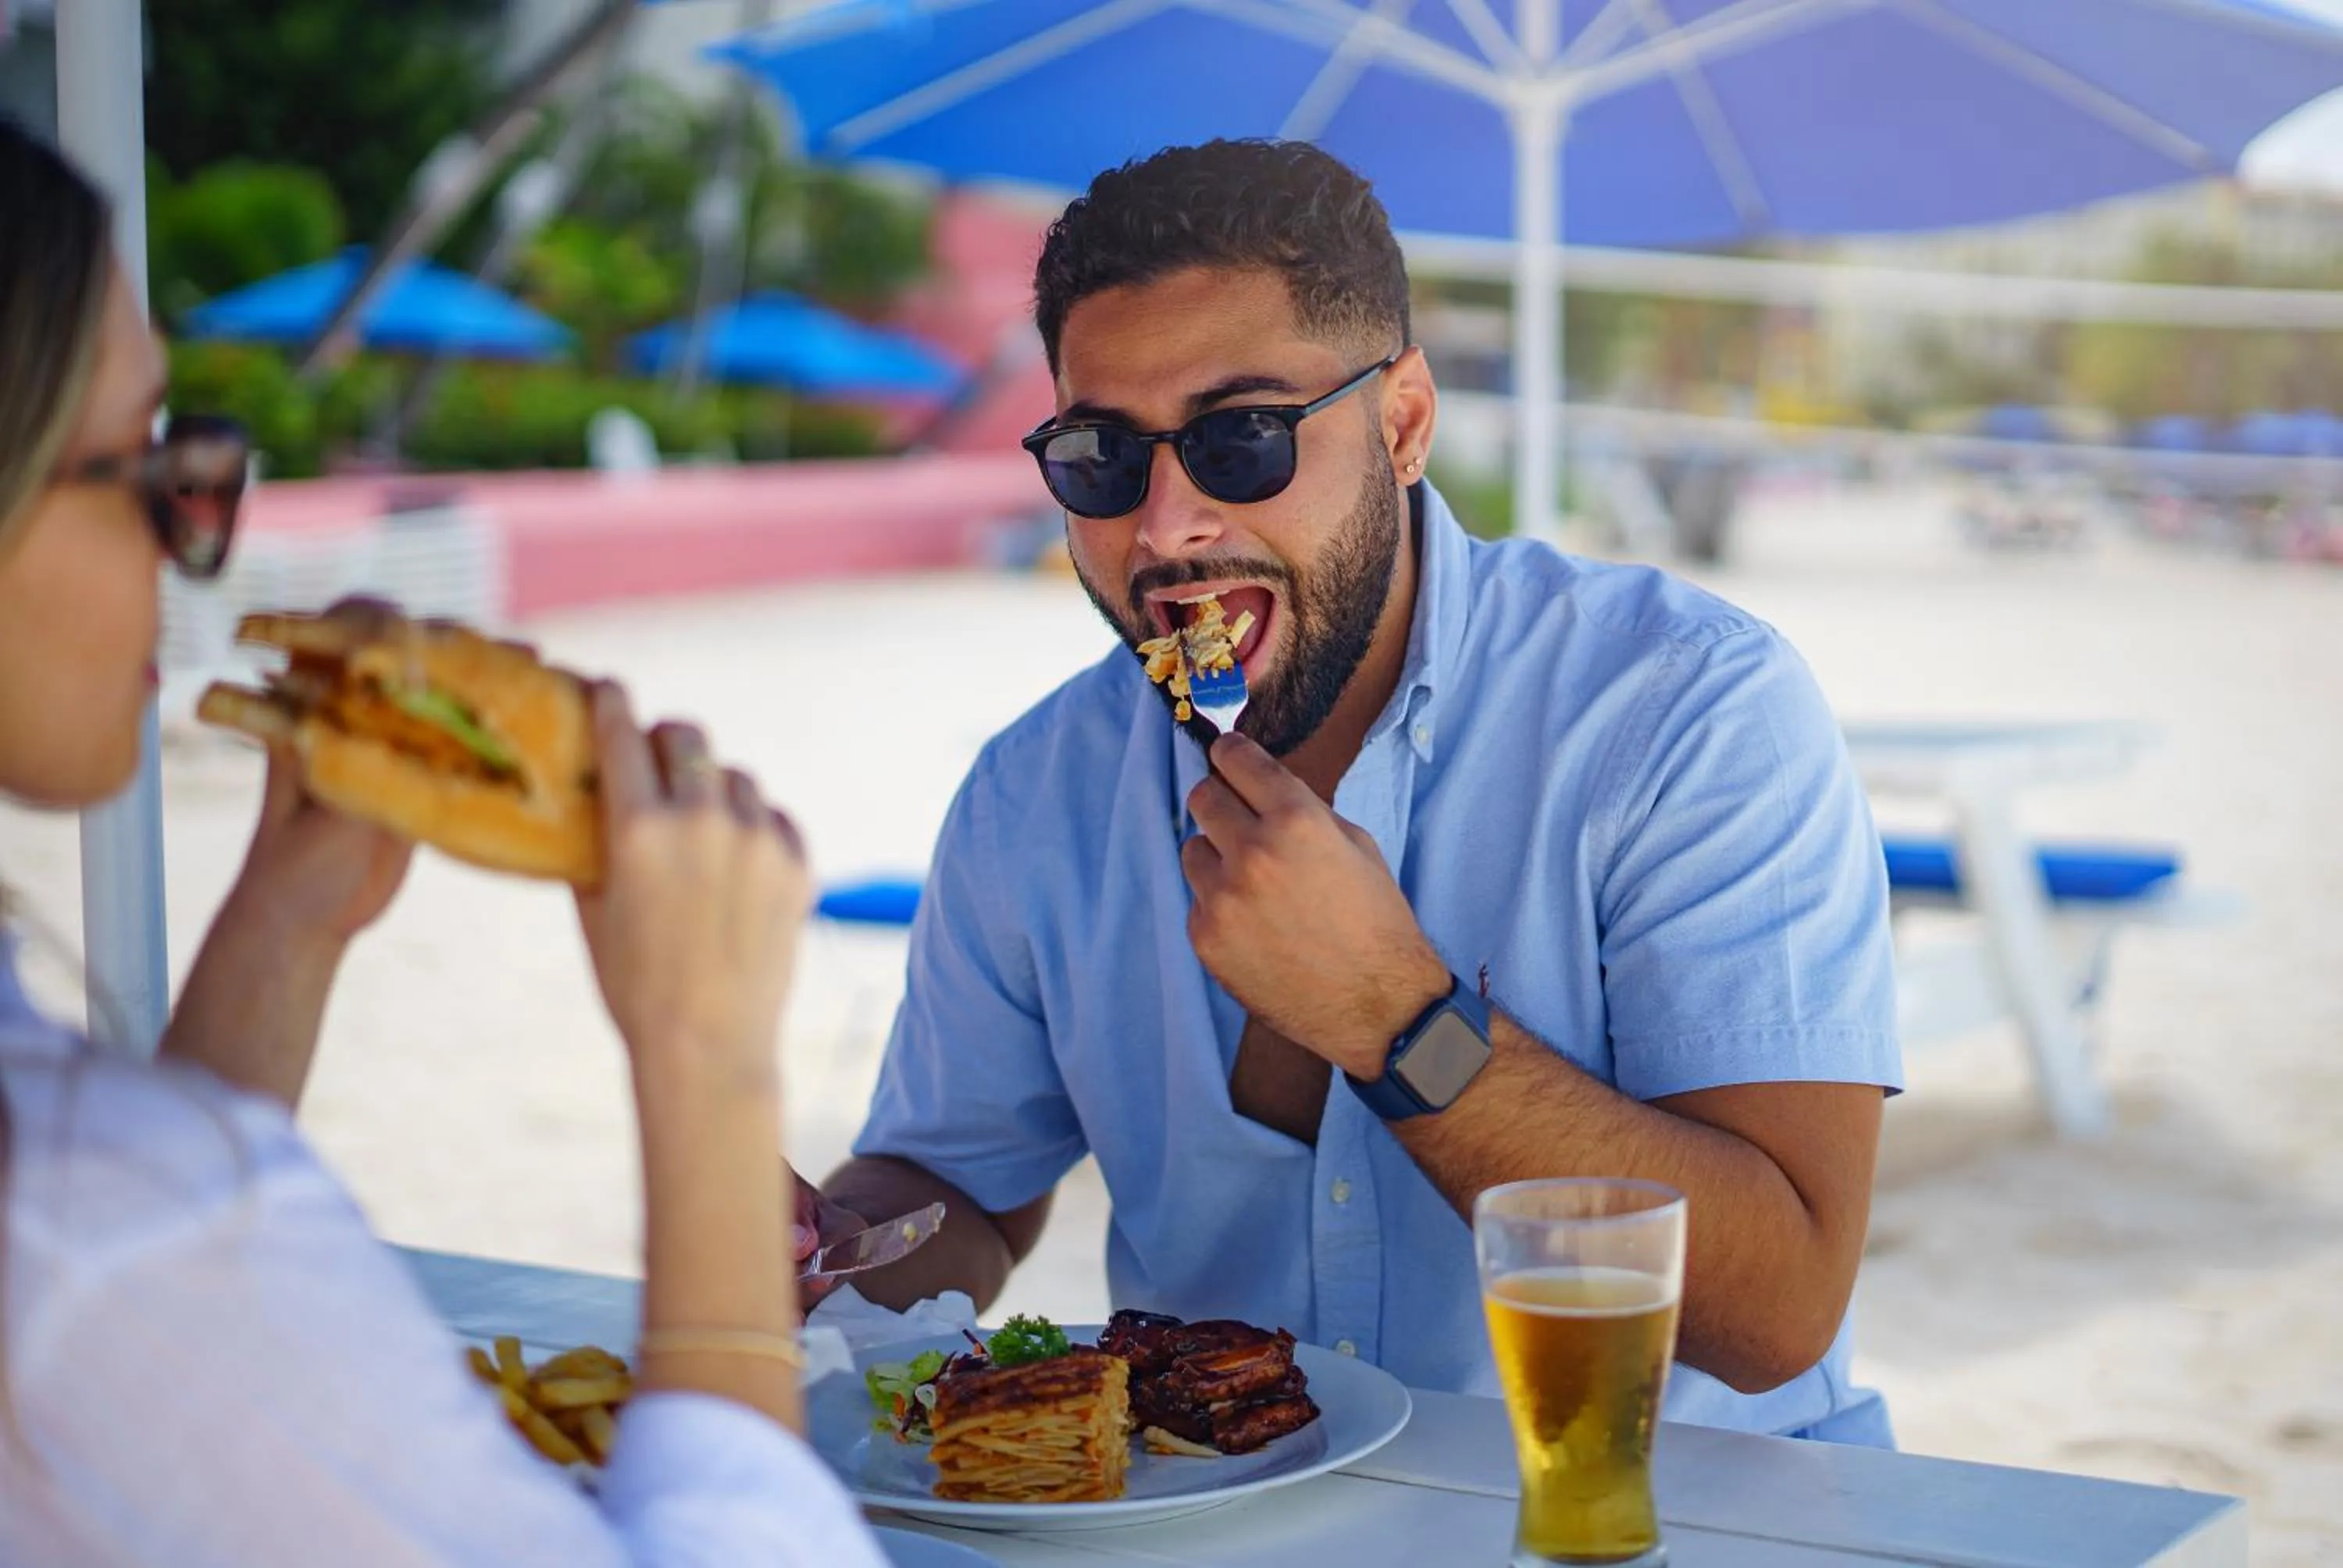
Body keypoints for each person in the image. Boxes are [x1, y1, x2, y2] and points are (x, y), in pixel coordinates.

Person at [797, 140, 1903, 1445]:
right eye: (1103, 456)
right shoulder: (1035, 794)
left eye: (1243, 437)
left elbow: (1779, 1312)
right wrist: (823, 1247)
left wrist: (1399, 1019)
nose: (1167, 526)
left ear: (1405, 424)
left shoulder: (1683, 709)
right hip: (1227, 1509)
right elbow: (957, 1189)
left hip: (1666, 1510)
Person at [0, 118, 887, 1564]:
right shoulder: (78, 1221)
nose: (187, 544)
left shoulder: (113, 1213)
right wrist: (711, 1069)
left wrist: (283, 925)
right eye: (150, 470)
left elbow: (165, 1353)